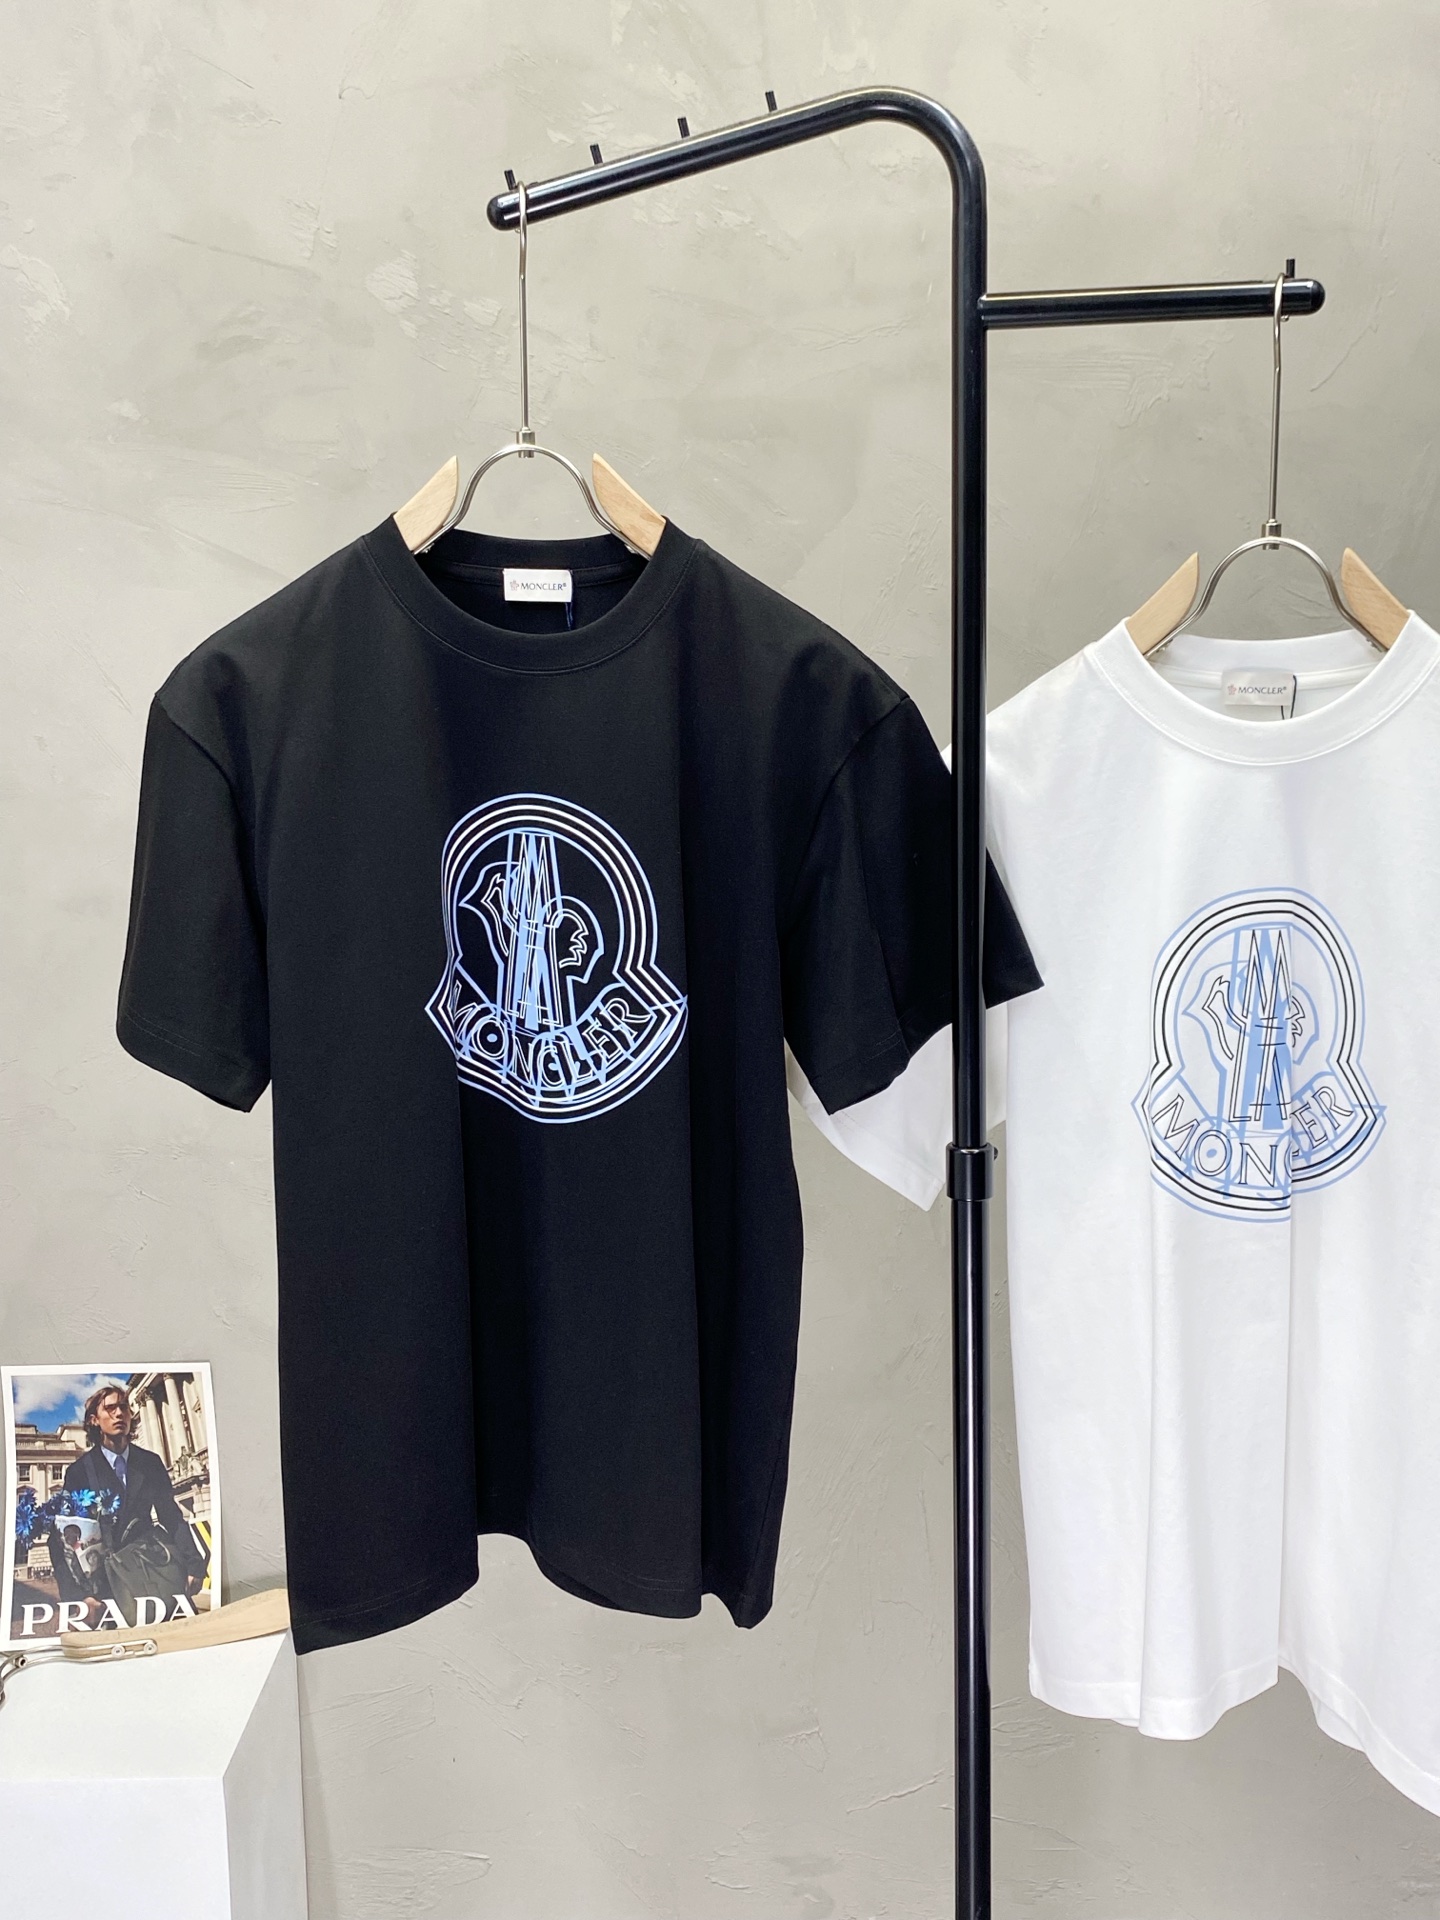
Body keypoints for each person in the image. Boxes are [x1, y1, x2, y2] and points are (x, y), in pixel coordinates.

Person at [63, 1384, 207, 1622]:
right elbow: (65, 1538)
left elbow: (171, 1516)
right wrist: (80, 1596)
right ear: (94, 1420)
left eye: (123, 1407)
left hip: (154, 1567)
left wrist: (194, 1565)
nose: (119, 1413)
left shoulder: (150, 1462)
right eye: (110, 1409)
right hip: (106, 1584)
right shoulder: (79, 1472)